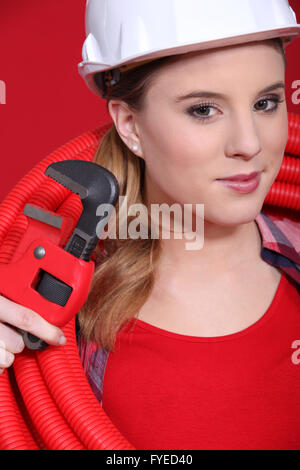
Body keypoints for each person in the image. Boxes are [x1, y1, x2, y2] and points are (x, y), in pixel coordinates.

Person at [0, 0, 300, 450]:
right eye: (203, 109)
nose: (249, 143)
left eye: (266, 102)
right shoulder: (49, 305)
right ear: (130, 125)